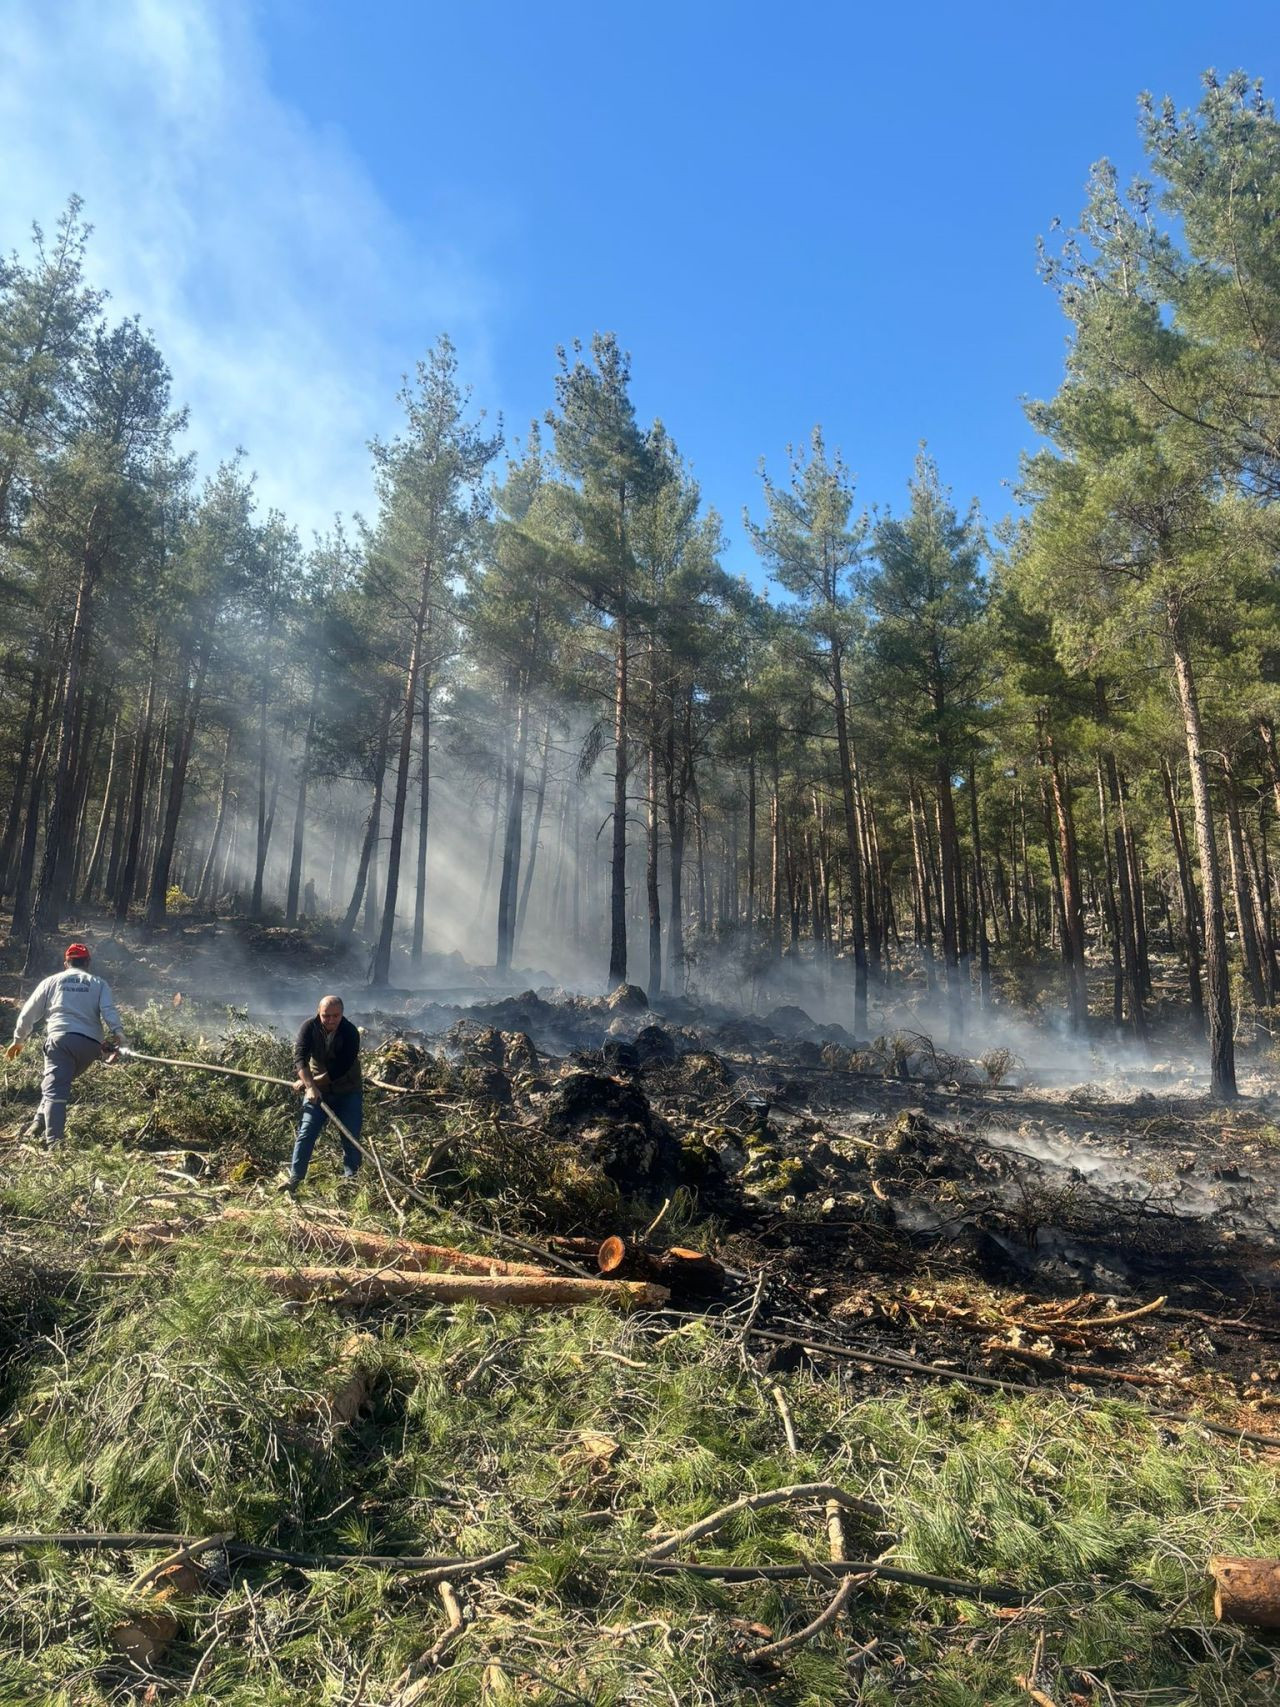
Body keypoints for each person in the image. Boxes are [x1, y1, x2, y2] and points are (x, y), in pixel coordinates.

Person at [6, 942, 126, 1143]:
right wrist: (119, 1035)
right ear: (87, 962)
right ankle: (38, 1122)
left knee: (55, 1089)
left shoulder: (51, 982)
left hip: (60, 1042)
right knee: (57, 1083)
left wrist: (18, 1040)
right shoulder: (98, 983)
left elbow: (28, 1013)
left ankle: (54, 1143)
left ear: (66, 963)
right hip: (90, 1047)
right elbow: (108, 1011)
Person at [283, 994, 363, 1190]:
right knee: (306, 1132)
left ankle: (351, 1182)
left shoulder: (350, 1032)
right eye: (326, 1016)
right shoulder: (308, 1027)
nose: (331, 1020)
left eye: (335, 1016)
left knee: (350, 1136)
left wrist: (310, 1084)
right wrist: (310, 1085)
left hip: (348, 1091)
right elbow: (300, 1058)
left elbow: (340, 1069)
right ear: (319, 1013)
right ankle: (295, 1179)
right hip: (318, 1093)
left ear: (342, 1014)